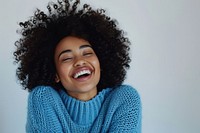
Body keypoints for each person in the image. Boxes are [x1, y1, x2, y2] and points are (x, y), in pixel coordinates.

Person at [13, 0, 142, 132]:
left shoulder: (124, 99)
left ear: (101, 63)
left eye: (87, 53)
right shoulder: (43, 99)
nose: (79, 61)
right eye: (67, 58)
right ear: (55, 74)